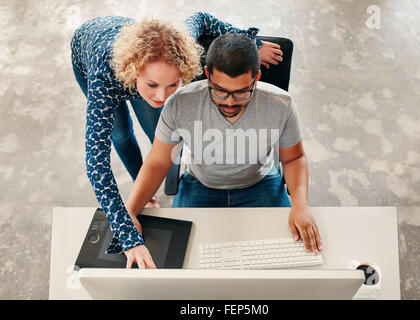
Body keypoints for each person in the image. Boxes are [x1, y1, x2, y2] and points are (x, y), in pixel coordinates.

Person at [71, 12, 284, 268]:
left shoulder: (175, 45)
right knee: (120, 133)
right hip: (93, 56)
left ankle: (146, 186)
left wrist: (252, 44)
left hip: (142, 57)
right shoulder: (104, 79)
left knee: (159, 133)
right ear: (134, 72)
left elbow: (203, 18)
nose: (162, 96)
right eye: (153, 86)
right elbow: (96, 164)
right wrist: (126, 232)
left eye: (172, 85)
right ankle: (144, 190)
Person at [125, 33, 323, 269]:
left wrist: (300, 206)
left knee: (285, 260)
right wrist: (129, 213)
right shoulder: (179, 103)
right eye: (219, 91)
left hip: (260, 184)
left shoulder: (281, 104)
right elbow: (157, 162)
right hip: (200, 184)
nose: (230, 102)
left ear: (256, 78)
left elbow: (294, 158)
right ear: (207, 74)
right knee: (181, 266)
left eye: (241, 92)